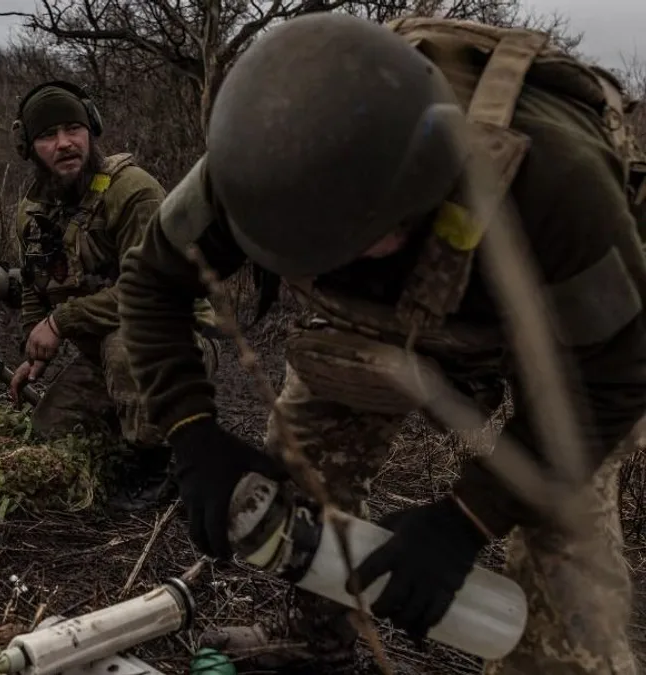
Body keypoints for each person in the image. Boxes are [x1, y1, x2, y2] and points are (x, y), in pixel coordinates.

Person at [117, 12, 646, 674]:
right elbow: (149, 280)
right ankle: (320, 643)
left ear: (419, 196)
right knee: (302, 475)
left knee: (569, 602)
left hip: (558, 353)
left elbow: (614, 376)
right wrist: (192, 431)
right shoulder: (261, 172)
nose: (322, 269)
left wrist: (465, 518)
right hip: (371, 327)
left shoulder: (555, 183)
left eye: (346, 248)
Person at [6, 79, 220, 512]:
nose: (64, 143)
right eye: (48, 135)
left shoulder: (132, 190)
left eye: (73, 128)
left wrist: (60, 323)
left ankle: (162, 464)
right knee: (50, 432)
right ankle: (135, 430)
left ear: (92, 129)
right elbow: (35, 284)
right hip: (102, 355)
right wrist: (35, 347)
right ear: (29, 147)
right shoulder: (31, 212)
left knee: (126, 347)